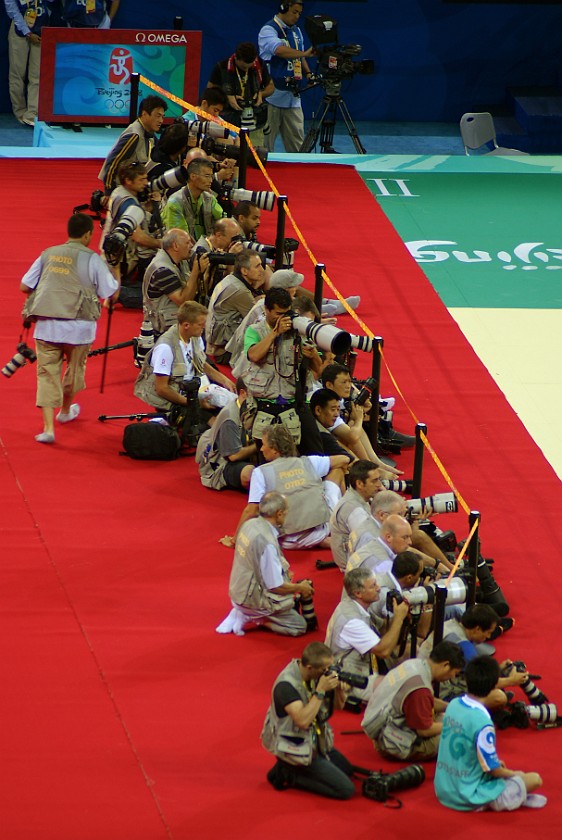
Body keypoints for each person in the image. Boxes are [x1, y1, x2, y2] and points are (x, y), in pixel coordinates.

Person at [19, 213, 119, 443]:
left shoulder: (48, 254)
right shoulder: (92, 259)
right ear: (87, 235)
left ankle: (48, 429)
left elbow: (25, 286)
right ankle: (65, 411)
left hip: (48, 326)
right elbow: (109, 293)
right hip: (80, 328)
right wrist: (116, 270)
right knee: (74, 370)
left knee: (46, 375)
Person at [435, 656, 546, 811]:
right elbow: (493, 770)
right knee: (534, 779)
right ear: (495, 686)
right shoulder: (483, 722)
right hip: (467, 795)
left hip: (443, 788)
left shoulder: (453, 705)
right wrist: (514, 774)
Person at [262, 641, 356, 799]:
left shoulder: (315, 676)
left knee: (347, 770)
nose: (328, 673)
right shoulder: (286, 686)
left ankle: (295, 768)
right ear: (310, 668)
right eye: (324, 669)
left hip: (315, 741)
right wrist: (320, 691)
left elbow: (338, 707)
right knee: (346, 790)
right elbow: (303, 721)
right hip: (296, 746)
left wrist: (339, 690)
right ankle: (289, 774)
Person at [235, 423, 348, 549]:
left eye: (264, 445)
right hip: (320, 532)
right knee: (338, 470)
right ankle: (342, 522)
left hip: (284, 541)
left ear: (274, 449)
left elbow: (252, 510)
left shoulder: (260, 472)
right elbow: (344, 459)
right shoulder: (308, 462)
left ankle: (322, 539)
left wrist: (235, 540)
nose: (261, 449)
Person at [217, 492, 317, 636]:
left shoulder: (249, 524)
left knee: (286, 581)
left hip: (237, 590)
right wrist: (300, 588)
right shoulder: (266, 542)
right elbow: (275, 586)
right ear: (279, 514)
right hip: (250, 599)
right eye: (286, 512)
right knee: (299, 626)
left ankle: (246, 612)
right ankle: (256, 618)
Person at [238, 287, 324, 453]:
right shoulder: (254, 331)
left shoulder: (298, 330)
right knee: (267, 456)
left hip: (295, 402)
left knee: (315, 451)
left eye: (286, 312)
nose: (283, 318)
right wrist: (275, 333)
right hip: (265, 405)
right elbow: (254, 355)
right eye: (278, 314)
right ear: (267, 310)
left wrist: (312, 354)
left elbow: (318, 369)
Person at [134, 301, 235, 430]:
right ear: (187, 325)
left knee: (228, 408)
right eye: (200, 325)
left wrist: (224, 380)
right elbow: (162, 389)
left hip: (192, 390)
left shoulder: (194, 336)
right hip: (172, 399)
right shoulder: (166, 348)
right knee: (215, 423)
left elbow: (201, 363)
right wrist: (193, 403)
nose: (203, 328)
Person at [362, 641, 465, 761]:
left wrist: (452, 707)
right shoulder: (420, 689)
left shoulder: (414, 665)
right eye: (455, 673)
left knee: (447, 716)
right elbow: (424, 731)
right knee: (455, 733)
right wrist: (455, 725)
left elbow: (426, 702)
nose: (453, 677)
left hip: (381, 725)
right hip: (392, 742)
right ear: (446, 665)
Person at [325, 567, 410, 699]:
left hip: (365, 663)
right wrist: (399, 618)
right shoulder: (352, 621)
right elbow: (384, 651)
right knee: (400, 687)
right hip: (349, 677)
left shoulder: (356, 605)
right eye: (373, 586)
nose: (378, 588)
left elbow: (382, 628)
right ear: (358, 593)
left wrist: (401, 613)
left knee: (412, 650)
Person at [258, 1, 313, 152]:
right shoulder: (268, 30)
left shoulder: (296, 31)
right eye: (294, 12)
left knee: (299, 149)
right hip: (271, 99)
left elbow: (299, 56)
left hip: (293, 98)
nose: (297, 16)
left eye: (299, 14)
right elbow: (279, 50)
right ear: (283, 8)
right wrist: (304, 53)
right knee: (265, 148)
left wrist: (308, 73)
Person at [100, 161, 163, 284]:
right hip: (118, 262)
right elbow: (139, 237)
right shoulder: (126, 201)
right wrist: (162, 244)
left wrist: (149, 207)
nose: (146, 183)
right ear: (128, 181)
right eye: (142, 179)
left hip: (115, 256)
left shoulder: (120, 191)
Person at [196, 377, 257, 491]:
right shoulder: (230, 417)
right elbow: (234, 456)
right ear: (243, 393)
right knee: (250, 474)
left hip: (246, 455)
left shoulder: (250, 408)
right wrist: (259, 445)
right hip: (221, 465)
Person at [207, 41, 274, 145]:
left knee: (253, 155)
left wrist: (261, 93)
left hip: (254, 121)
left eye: (249, 66)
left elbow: (271, 87)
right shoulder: (222, 67)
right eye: (243, 67)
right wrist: (226, 96)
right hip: (230, 121)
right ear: (236, 58)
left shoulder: (259, 64)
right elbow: (210, 91)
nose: (247, 69)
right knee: (232, 155)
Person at [205, 249, 265, 362]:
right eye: (257, 266)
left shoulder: (231, 279)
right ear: (244, 271)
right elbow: (259, 320)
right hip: (224, 352)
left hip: (214, 344)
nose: (262, 270)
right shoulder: (240, 291)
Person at [99, 95, 167, 194]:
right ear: (144, 114)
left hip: (137, 186)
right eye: (157, 116)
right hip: (122, 189)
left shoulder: (150, 134)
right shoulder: (134, 135)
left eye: (162, 116)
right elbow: (113, 162)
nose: (161, 120)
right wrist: (109, 192)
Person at [4, 0, 54, 126]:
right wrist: (27, 32)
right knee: (17, 74)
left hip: (40, 29)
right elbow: (12, 11)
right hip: (19, 29)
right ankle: (20, 111)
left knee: (37, 75)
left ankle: (32, 113)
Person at [141, 228, 196, 340]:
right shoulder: (162, 270)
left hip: (175, 324)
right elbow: (183, 301)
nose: (191, 246)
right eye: (187, 242)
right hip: (163, 331)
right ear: (175, 246)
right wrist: (196, 271)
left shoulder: (179, 262)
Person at [329, 460, 383, 571]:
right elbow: (370, 541)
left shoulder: (362, 498)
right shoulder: (353, 509)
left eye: (379, 479)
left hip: (358, 555)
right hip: (355, 566)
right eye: (374, 481)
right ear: (359, 484)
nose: (379, 484)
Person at [162, 157, 226, 243]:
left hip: (206, 248)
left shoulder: (209, 199)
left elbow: (222, 221)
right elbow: (180, 240)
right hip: (181, 251)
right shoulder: (175, 202)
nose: (210, 181)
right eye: (207, 176)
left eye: (211, 176)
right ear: (193, 176)